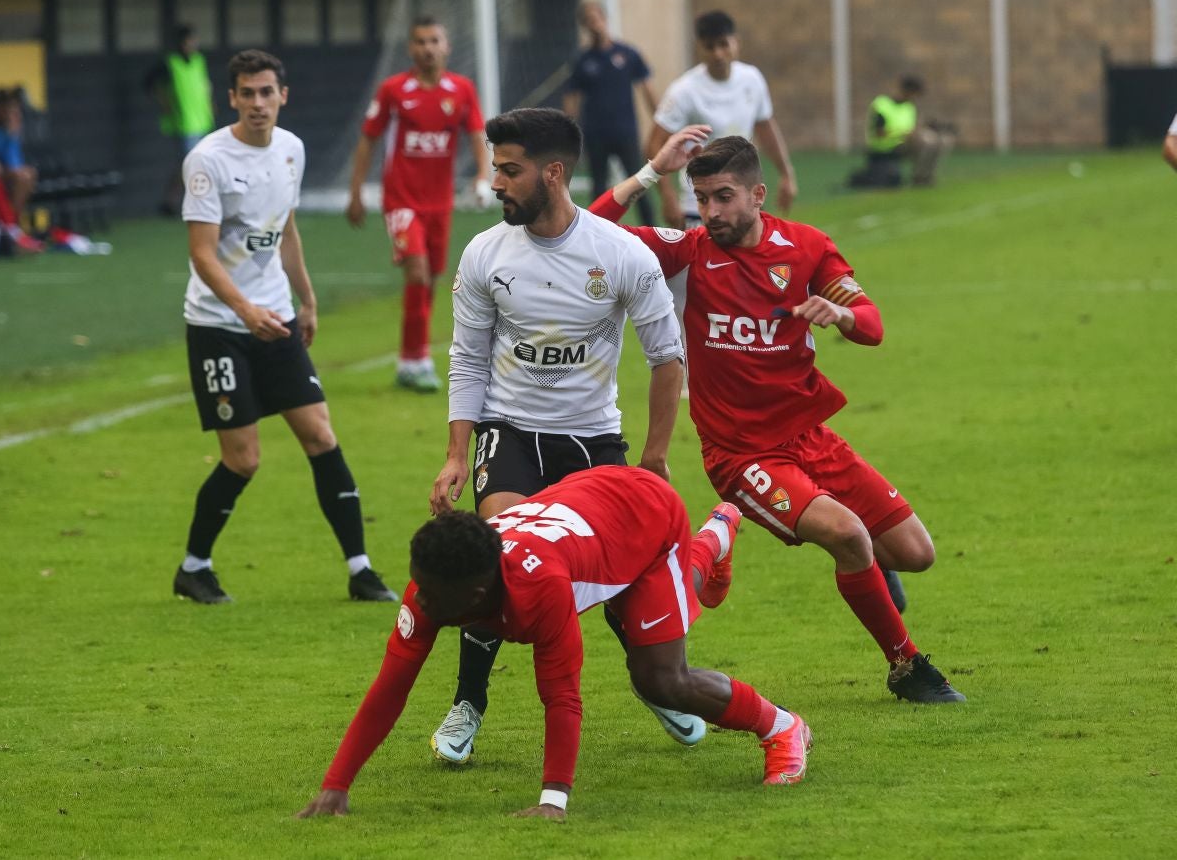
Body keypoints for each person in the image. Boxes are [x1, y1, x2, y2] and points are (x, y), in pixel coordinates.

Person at [588, 135, 966, 704]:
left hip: (810, 438)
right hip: (741, 455)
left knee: (916, 555)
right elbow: (588, 231)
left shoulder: (808, 248)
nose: (711, 213)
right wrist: (649, 173)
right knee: (846, 533)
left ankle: (862, 565)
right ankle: (906, 666)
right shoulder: (688, 252)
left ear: (759, 194)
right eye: (702, 199)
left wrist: (840, 313)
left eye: (724, 197)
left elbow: (872, 323)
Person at [425, 109, 723, 764]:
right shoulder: (483, 254)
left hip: (592, 442)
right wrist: (456, 453)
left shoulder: (620, 255)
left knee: (620, 584)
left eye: (510, 170)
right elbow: (468, 359)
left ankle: (658, 685)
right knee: (498, 557)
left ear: (552, 173)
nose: (496, 183)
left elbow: (667, 357)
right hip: (511, 433)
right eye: (496, 168)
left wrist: (652, 458)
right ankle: (468, 703)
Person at [297, 466, 812, 820]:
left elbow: (562, 695)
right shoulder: (437, 581)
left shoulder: (538, 589)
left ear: (474, 594)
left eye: (430, 595)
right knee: (643, 616)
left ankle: (783, 728)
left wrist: (554, 799)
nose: (418, 602)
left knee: (660, 678)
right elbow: (390, 688)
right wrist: (336, 786)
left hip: (645, 516)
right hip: (591, 506)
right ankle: (712, 542)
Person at [175, 49, 398, 605]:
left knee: (321, 434)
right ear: (232, 98)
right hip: (219, 328)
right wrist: (246, 312)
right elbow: (203, 255)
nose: (257, 103)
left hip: (275, 318)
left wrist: (308, 299)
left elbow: (286, 229)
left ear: (283, 96)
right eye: (246, 93)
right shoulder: (208, 160)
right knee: (243, 459)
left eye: (266, 92)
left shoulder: (291, 150)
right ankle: (193, 567)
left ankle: (361, 569)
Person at [347, 16, 490, 392]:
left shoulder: (461, 90)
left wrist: (481, 176)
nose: (427, 48)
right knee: (417, 274)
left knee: (429, 281)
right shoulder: (394, 90)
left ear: (446, 46)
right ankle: (418, 358)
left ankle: (407, 361)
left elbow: (477, 133)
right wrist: (356, 191)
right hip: (401, 201)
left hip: (439, 203)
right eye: (420, 41)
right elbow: (368, 140)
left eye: (434, 40)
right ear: (410, 48)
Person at [647, 11, 797, 229]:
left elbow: (765, 127)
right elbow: (654, 143)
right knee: (702, 264)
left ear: (736, 42)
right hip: (701, 205)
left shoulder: (752, 79)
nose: (718, 54)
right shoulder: (684, 90)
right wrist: (668, 197)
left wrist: (786, 174)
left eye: (723, 44)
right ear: (699, 47)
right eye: (709, 47)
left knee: (751, 262)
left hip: (744, 199)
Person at [562, 1, 658, 226]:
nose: (594, 24)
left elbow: (647, 88)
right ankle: (597, 231)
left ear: (605, 19)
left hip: (625, 132)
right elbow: (571, 97)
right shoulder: (582, 61)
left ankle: (651, 229)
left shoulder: (628, 53)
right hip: (596, 134)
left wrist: (661, 122)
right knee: (598, 186)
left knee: (640, 182)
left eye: (596, 18)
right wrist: (567, 131)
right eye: (588, 21)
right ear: (584, 26)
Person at [147, 24, 216, 215]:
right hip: (183, 122)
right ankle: (193, 203)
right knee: (192, 164)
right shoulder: (170, 63)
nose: (192, 45)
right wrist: (164, 103)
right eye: (189, 41)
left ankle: (170, 202)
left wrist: (210, 104)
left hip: (202, 120)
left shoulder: (198, 60)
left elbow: (204, 84)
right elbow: (150, 84)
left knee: (188, 164)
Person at [854, 75, 954, 188]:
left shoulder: (909, 107)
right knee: (927, 141)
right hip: (884, 147)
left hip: (903, 144)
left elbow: (910, 129)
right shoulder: (882, 104)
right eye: (914, 94)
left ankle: (926, 177)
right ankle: (918, 178)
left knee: (942, 140)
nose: (915, 97)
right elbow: (879, 133)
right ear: (907, 90)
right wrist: (903, 134)